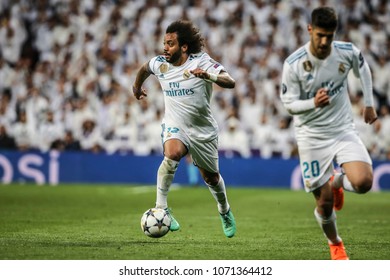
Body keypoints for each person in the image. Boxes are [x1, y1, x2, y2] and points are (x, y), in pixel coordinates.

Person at [280, 7, 377, 260]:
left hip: (342, 128)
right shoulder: (294, 64)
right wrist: (313, 103)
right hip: (311, 136)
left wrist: (368, 103)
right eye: (320, 35)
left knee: (364, 183)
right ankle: (335, 243)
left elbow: (363, 68)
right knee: (323, 203)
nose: (324, 42)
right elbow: (288, 104)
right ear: (310, 30)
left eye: (329, 36)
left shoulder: (346, 52)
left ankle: (337, 181)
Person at [132, 20, 236, 238]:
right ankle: (162, 208)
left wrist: (210, 76)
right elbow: (144, 68)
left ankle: (224, 210)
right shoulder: (160, 64)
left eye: (170, 44)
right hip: (174, 123)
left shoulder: (203, 62)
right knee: (172, 154)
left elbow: (230, 81)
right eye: (164, 43)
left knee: (211, 178)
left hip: (202, 129)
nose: (165, 48)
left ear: (184, 47)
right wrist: (136, 87)